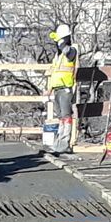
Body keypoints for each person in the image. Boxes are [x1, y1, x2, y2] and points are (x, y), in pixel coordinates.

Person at [44, 24, 77, 154]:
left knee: (66, 116)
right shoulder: (57, 57)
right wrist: (49, 89)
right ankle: (59, 143)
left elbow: (68, 52)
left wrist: (62, 43)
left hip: (66, 89)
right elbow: (54, 74)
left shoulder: (72, 51)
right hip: (57, 89)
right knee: (61, 117)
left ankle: (64, 143)